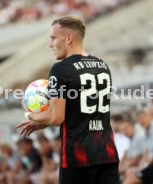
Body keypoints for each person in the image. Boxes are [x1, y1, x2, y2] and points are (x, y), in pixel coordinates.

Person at [16, 16, 119, 184]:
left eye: (53, 38)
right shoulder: (102, 66)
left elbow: (56, 117)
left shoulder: (61, 69)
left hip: (78, 157)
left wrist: (29, 114)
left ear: (69, 38)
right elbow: (78, 111)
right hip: (107, 153)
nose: (50, 44)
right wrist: (45, 121)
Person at [123, 110, 153, 184]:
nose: (141, 122)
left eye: (142, 118)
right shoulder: (146, 132)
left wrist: (145, 166)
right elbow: (146, 154)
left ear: (149, 116)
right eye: (138, 120)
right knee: (131, 173)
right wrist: (140, 167)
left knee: (132, 180)